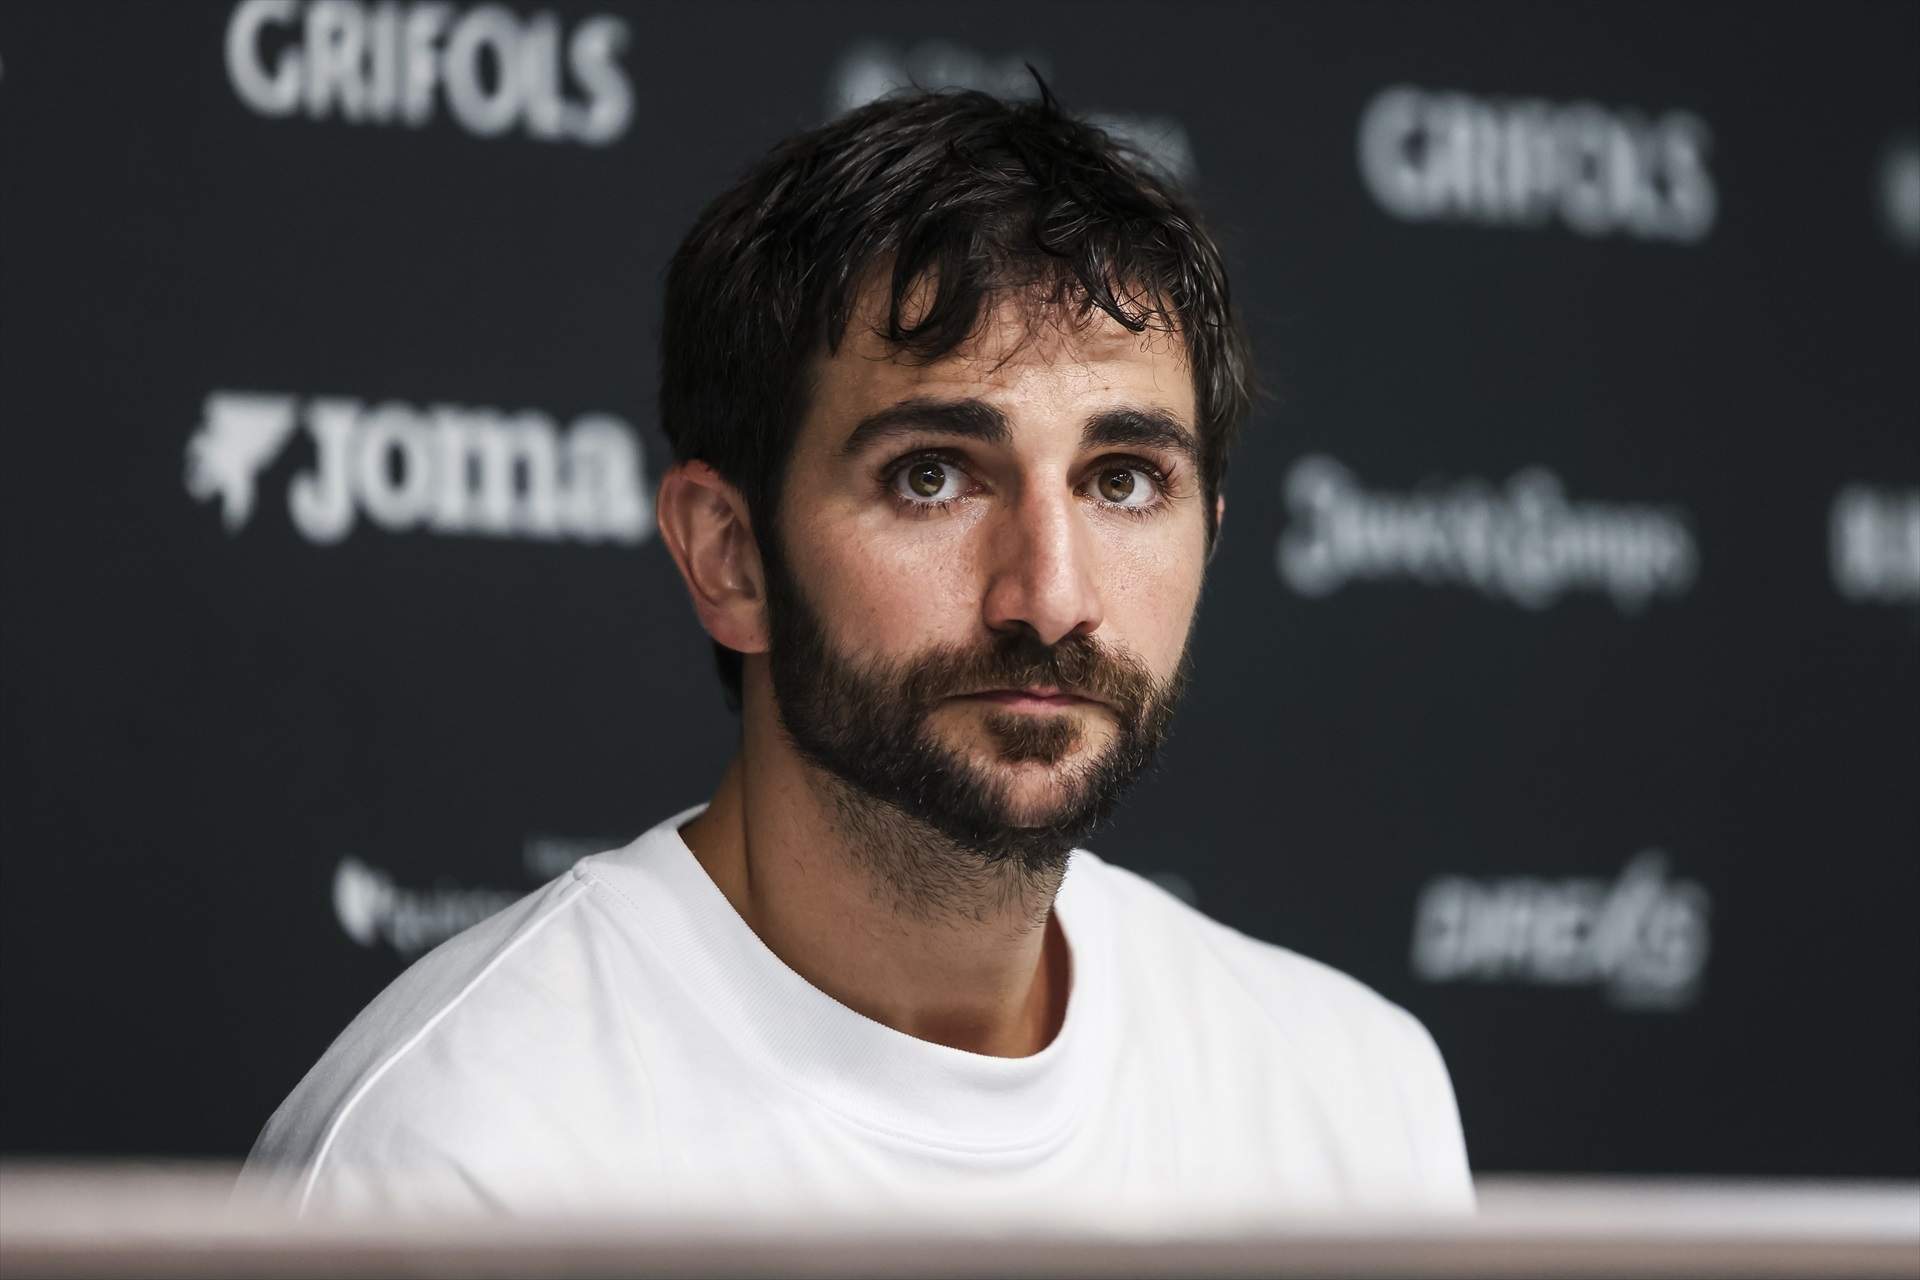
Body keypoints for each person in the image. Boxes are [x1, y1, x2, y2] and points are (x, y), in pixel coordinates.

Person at [243, 84, 1474, 1221]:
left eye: (1122, 478)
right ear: (730, 554)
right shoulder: (453, 1162)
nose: (1049, 598)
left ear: (1208, 533)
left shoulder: (1353, 1103)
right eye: (932, 476)